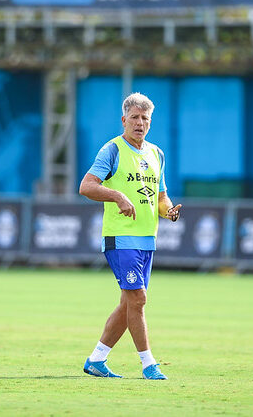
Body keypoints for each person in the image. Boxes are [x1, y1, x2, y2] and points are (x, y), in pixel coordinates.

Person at [78, 92, 181, 380]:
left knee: (129, 303)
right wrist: (117, 196)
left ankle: (97, 360)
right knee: (138, 299)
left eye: (144, 118)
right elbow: (86, 186)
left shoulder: (157, 154)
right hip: (120, 237)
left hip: (147, 239)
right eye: (134, 118)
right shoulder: (112, 150)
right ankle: (149, 365)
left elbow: (161, 197)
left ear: (150, 122)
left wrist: (169, 211)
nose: (139, 123)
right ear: (123, 120)